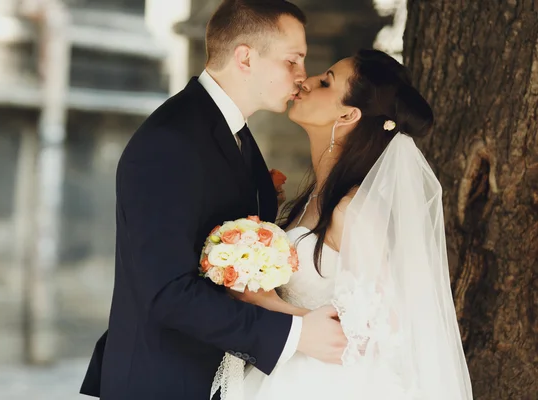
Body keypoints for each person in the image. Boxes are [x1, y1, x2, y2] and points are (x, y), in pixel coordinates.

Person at [79, 1, 347, 399]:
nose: (301, 75)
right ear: (245, 58)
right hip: (161, 380)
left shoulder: (232, 133)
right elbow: (167, 292)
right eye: (292, 60)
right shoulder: (171, 140)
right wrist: (294, 333)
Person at [233, 49, 474, 400]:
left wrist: (267, 303)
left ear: (348, 113)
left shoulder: (353, 211)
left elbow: (377, 333)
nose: (307, 81)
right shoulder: (315, 198)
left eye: (326, 82)